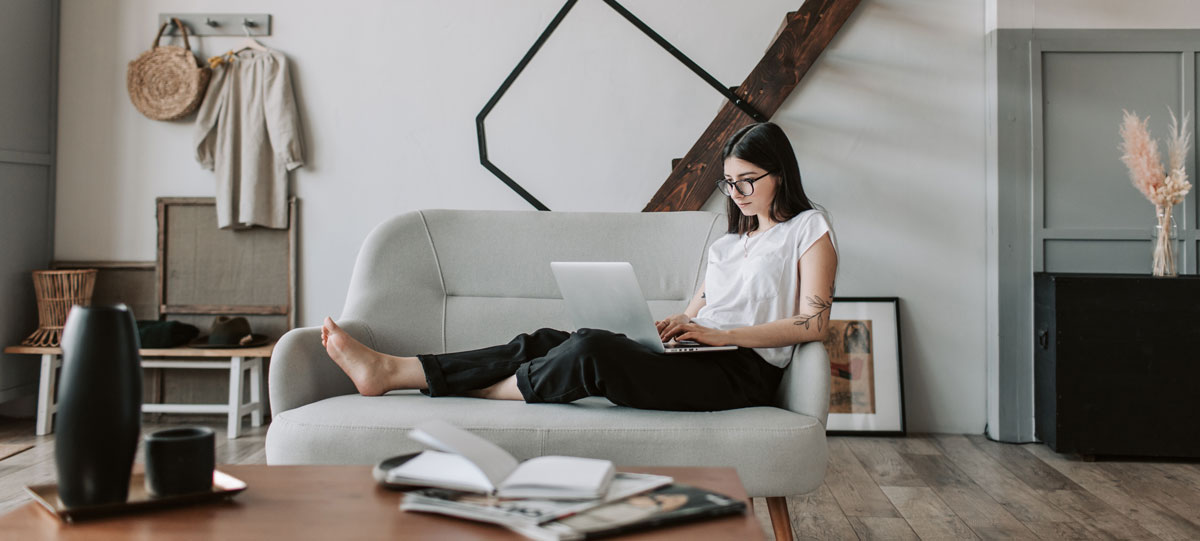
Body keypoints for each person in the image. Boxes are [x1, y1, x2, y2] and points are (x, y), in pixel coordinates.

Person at [322, 121, 838, 412]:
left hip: (739, 375)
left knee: (590, 351)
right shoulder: (728, 244)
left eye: (748, 180)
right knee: (551, 338)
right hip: (696, 357)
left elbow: (814, 324)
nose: (737, 193)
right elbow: (696, 312)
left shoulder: (809, 229)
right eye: (729, 183)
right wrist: (674, 329)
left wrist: (722, 336)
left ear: (780, 173)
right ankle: (392, 370)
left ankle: (482, 389)